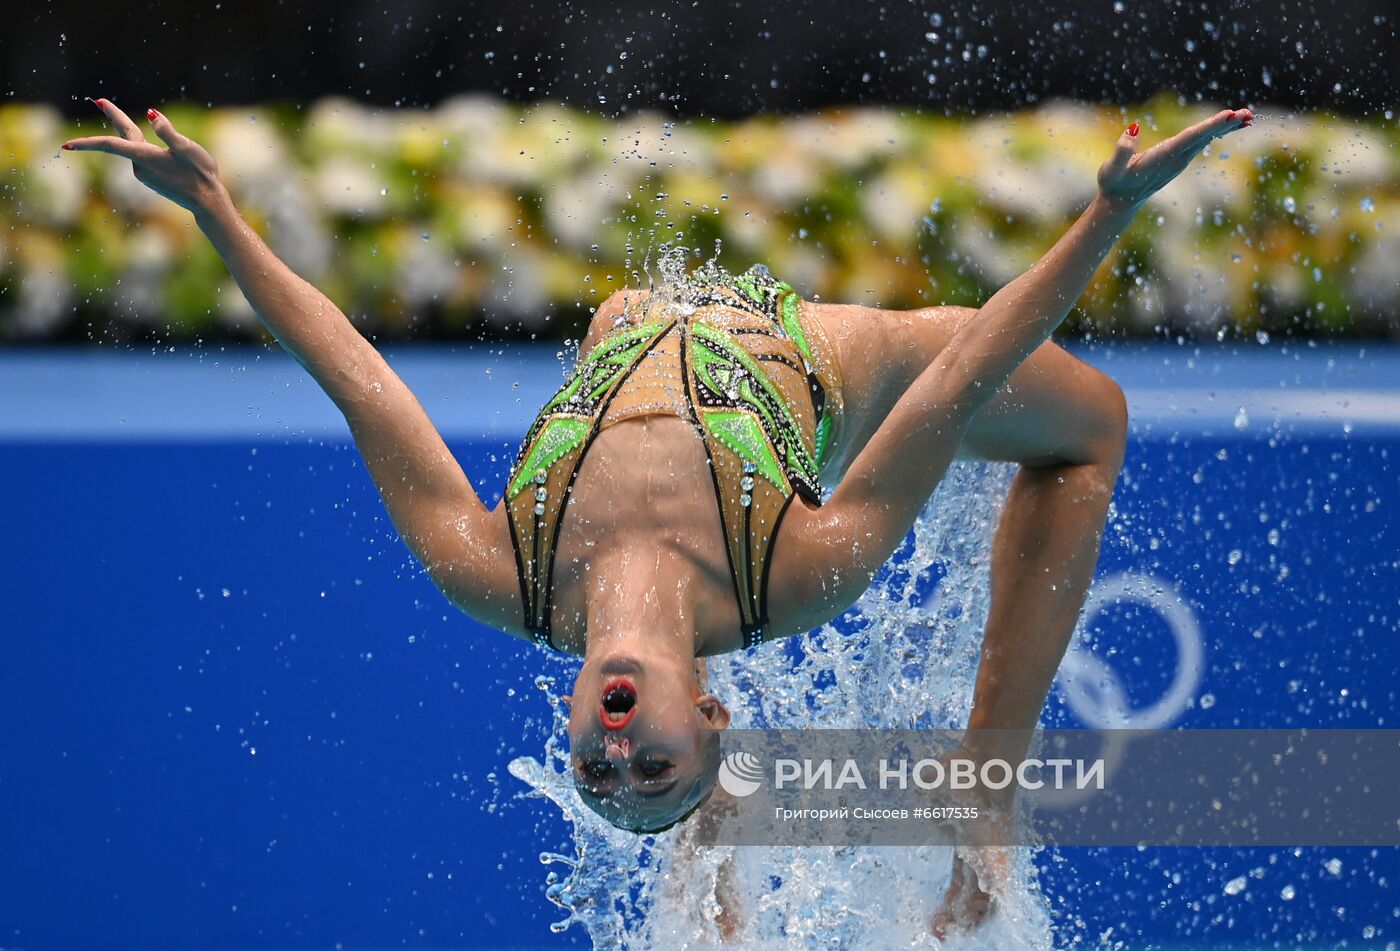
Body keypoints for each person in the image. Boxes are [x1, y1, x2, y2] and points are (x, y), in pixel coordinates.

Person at [63, 99, 1252, 935]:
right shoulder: (796, 570)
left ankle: (725, 850)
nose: (618, 750)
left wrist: (215, 209)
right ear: (710, 709)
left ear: (573, 720)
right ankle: (986, 770)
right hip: (831, 360)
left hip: (634, 320)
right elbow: (956, 383)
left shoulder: (492, 570)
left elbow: (358, 378)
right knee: (1090, 423)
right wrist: (1105, 216)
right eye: (656, 766)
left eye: (599, 767)